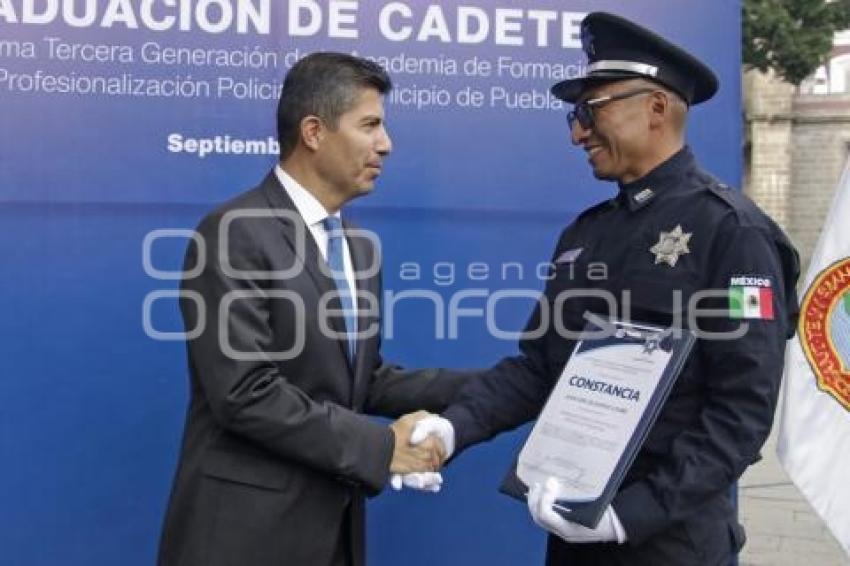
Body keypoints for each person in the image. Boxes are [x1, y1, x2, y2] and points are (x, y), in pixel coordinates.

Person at [409, 12, 801, 566]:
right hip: (572, 530)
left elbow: (740, 413)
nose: (577, 132)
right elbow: (539, 367)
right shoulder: (585, 234)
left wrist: (630, 515)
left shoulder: (731, 233)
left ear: (657, 107)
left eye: (590, 111)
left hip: (669, 543)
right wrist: (453, 428)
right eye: (575, 115)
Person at [157, 52, 464, 566]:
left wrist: (505, 384)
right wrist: (382, 447)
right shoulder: (233, 231)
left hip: (334, 534)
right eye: (370, 125)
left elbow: (361, 381)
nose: (385, 145)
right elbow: (244, 393)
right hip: (243, 539)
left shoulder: (359, 247)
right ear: (315, 132)